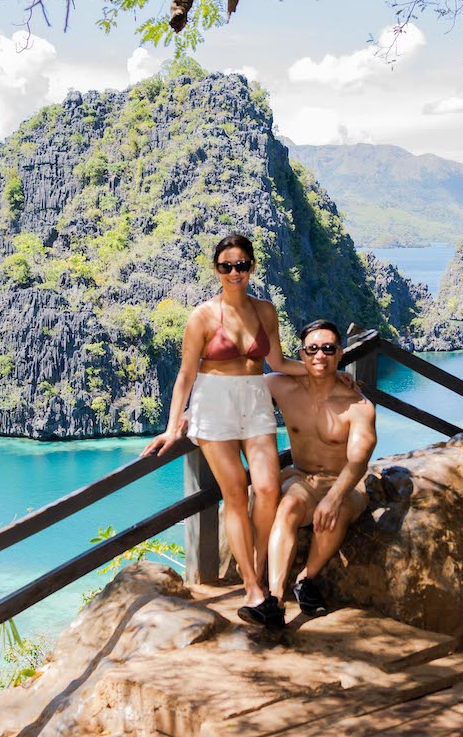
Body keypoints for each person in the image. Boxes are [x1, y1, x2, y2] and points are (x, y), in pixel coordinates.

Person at [142, 234, 313, 626]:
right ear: (216, 270)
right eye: (226, 266)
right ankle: (254, 589)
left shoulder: (265, 311)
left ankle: (258, 571)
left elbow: (279, 364)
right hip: (213, 404)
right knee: (235, 491)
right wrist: (173, 428)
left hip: (254, 400)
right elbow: (185, 374)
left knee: (268, 488)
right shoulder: (202, 316)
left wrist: (327, 372)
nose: (234, 273)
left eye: (241, 265)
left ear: (252, 267)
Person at [263, 319, 376, 629]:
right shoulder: (282, 387)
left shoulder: (357, 405)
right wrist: (193, 412)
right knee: (288, 507)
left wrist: (334, 497)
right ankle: (274, 600)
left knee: (334, 514)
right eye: (312, 349)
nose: (320, 355)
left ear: (340, 353)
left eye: (328, 349)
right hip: (302, 477)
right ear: (301, 354)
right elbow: (235, 391)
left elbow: (359, 460)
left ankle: (306, 579)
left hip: (345, 482)